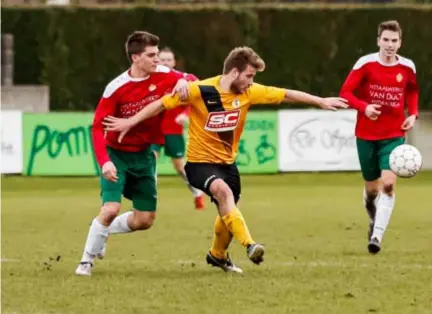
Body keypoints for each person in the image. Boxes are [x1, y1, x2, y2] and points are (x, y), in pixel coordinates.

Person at [103, 46, 347, 273]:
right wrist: (130, 121)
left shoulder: (250, 92)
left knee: (227, 212)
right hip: (199, 164)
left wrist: (321, 101)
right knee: (224, 193)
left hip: (228, 164)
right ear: (234, 72)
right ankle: (250, 245)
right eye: (249, 76)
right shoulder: (201, 90)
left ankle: (218, 255)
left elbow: (286, 94)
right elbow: (159, 105)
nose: (252, 82)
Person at [75, 31, 189, 276]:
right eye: (151, 55)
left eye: (158, 54)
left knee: (145, 220)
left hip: (145, 156)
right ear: (135, 57)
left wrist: (183, 81)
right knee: (111, 208)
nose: (157, 60)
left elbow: (189, 79)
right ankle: (85, 262)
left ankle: (100, 230)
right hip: (116, 154)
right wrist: (104, 162)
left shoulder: (164, 74)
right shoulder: (116, 88)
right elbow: (96, 127)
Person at [340, 20, 419, 254]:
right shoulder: (365, 64)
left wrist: (412, 114)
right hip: (366, 134)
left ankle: (377, 236)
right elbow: (345, 92)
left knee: (388, 184)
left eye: (394, 41)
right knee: (372, 190)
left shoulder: (407, 67)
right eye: (385, 40)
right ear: (378, 41)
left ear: (400, 43)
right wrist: (364, 108)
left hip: (394, 135)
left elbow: (413, 90)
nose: (390, 45)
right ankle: (371, 210)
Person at [154, 47, 205, 210]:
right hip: (153, 130)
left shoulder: (182, 78)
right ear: (157, 61)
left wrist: (186, 113)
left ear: (174, 62)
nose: (166, 62)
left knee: (180, 166)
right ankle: (148, 200)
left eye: (169, 59)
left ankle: (197, 192)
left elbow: (196, 91)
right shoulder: (151, 79)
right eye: (162, 60)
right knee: (149, 161)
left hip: (172, 130)